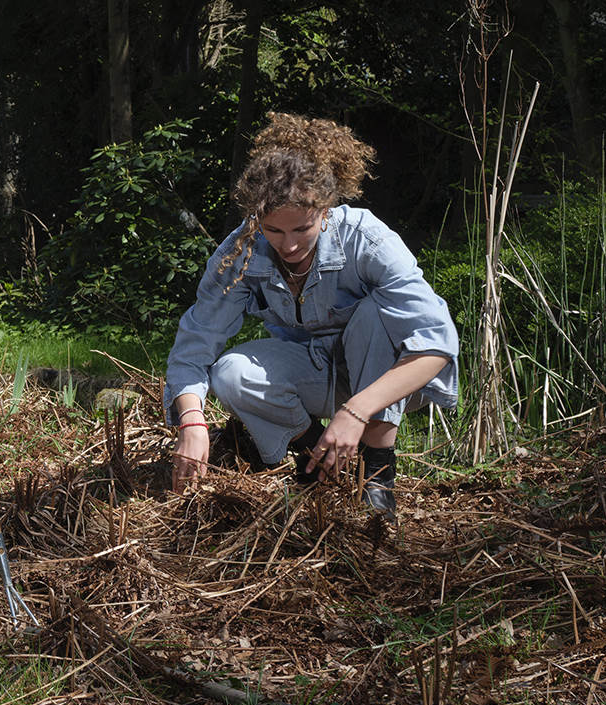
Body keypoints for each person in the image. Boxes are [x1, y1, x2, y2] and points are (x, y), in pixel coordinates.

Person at [166, 115, 458, 517]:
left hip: (382, 380)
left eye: (301, 229)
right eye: (273, 231)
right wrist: (192, 422)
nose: (288, 246)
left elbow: (436, 346)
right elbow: (194, 347)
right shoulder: (241, 251)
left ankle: (377, 473)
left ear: (324, 210)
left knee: (375, 314)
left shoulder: (367, 240)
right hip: (312, 373)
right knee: (231, 371)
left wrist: (355, 412)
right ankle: (316, 453)